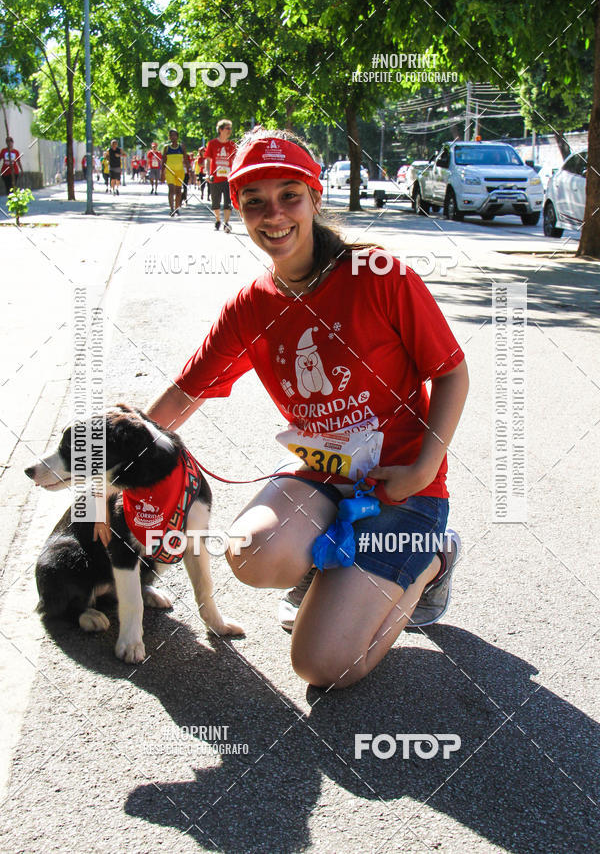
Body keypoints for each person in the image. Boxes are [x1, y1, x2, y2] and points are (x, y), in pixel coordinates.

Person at [97, 129, 469, 689]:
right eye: (254, 201)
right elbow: (181, 396)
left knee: (321, 667)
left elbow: (452, 373)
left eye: (288, 194)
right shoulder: (252, 306)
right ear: (238, 209)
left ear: (315, 198)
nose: (273, 214)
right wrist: (105, 476)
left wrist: (422, 468)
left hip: (402, 486)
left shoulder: (379, 276)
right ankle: (326, 569)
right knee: (251, 553)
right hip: (324, 474)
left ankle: (433, 559)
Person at [204, 119, 235, 231]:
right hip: (215, 178)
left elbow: (235, 160)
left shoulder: (232, 145)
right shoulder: (212, 144)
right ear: (221, 130)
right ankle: (218, 219)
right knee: (215, 203)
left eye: (230, 128)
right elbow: (207, 160)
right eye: (227, 128)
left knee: (227, 202)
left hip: (228, 178)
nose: (230, 131)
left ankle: (226, 222)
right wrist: (207, 173)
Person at [161, 128, 187, 216]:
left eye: (174, 135)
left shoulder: (182, 147)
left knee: (179, 191)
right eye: (171, 135)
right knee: (171, 189)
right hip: (169, 171)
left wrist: (189, 170)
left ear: (177, 137)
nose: (173, 137)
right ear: (169, 137)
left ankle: (177, 208)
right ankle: (171, 208)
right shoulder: (166, 148)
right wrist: (162, 173)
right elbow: (163, 161)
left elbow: (186, 159)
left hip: (180, 171)